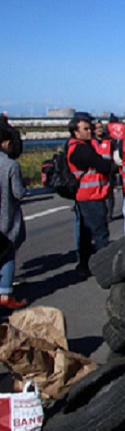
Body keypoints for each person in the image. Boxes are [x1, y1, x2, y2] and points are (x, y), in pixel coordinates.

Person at [67, 114, 115, 276]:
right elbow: (102, 165)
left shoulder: (75, 146)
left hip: (85, 196)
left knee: (86, 234)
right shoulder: (81, 148)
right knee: (100, 234)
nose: (90, 132)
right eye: (86, 129)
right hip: (91, 196)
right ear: (75, 132)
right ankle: (105, 268)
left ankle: (85, 265)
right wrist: (110, 165)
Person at [0, 121, 27, 309]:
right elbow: (18, 193)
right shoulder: (10, 165)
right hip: (6, 219)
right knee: (8, 256)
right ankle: (5, 295)